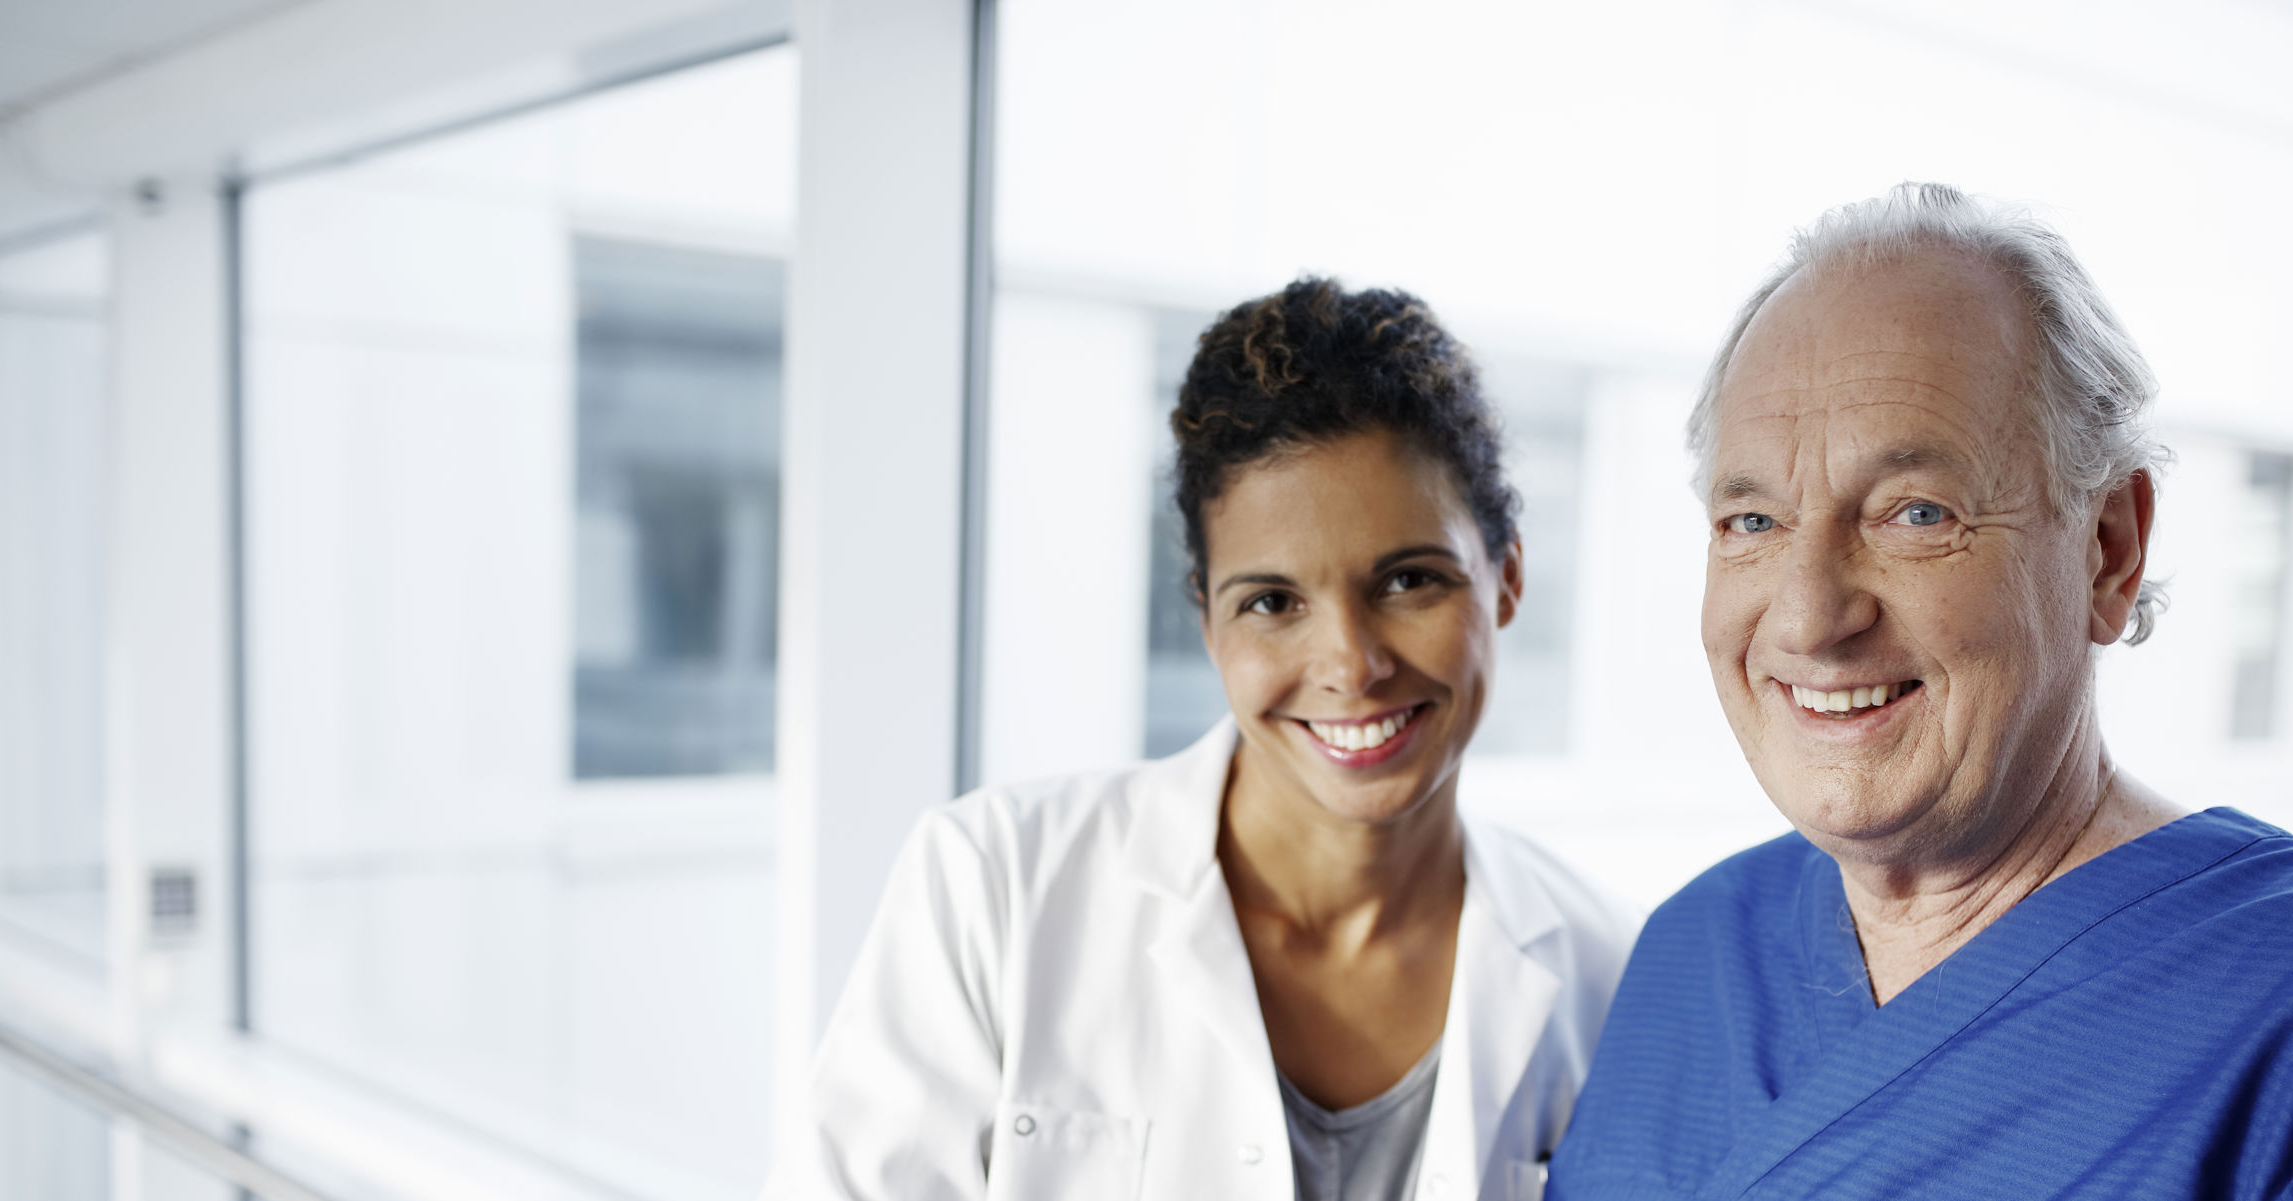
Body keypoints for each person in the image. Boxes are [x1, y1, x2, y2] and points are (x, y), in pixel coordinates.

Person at [764, 278, 1639, 1200]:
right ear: (1207, 620)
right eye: (1272, 601)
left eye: (1408, 581)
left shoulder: (1609, 972)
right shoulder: (993, 886)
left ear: (1506, 578)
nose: (1351, 664)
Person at [1546, 184, 2293, 1200]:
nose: (1808, 619)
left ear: (2109, 549)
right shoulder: (1694, 952)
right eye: (1753, 522)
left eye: (1915, 512)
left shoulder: (2265, 999)